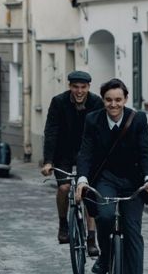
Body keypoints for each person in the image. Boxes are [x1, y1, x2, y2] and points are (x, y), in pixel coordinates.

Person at [75, 78, 148, 274]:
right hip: (106, 179)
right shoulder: (93, 120)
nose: (114, 105)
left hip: (133, 180)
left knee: (132, 230)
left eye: (118, 100)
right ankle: (105, 256)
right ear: (103, 100)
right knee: (105, 216)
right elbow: (86, 152)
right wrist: (82, 180)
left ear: (125, 99)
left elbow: (145, 151)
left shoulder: (138, 119)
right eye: (109, 100)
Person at [41, 70, 102, 256]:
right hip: (63, 153)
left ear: (88, 87)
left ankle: (91, 238)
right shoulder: (58, 102)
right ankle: (63, 224)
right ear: (70, 87)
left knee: (89, 192)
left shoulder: (96, 102)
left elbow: (101, 132)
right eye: (75, 87)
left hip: (88, 152)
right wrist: (48, 161)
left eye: (83, 87)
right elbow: (51, 131)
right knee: (64, 188)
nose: (79, 91)